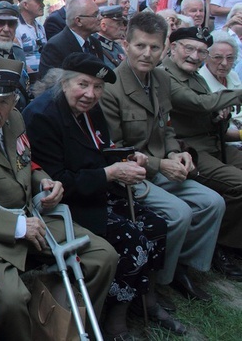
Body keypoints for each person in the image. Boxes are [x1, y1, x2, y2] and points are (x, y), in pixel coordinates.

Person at [0, 57, 117, 340]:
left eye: (5, 101)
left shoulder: (16, 119)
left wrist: (44, 181)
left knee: (103, 257)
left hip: (32, 215)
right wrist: (18, 227)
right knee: (11, 299)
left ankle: (68, 328)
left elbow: (24, 164)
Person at [23, 53, 181, 338]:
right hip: (66, 203)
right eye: (83, 84)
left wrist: (127, 158)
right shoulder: (42, 115)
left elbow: (102, 149)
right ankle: (114, 318)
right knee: (132, 239)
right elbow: (58, 181)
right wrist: (111, 174)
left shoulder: (90, 109)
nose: (90, 93)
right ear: (64, 81)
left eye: (98, 87)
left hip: (96, 191)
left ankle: (145, 298)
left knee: (156, 226)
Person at [102, 12, 225, 302]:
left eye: (154, 47)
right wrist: (160, 164)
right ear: (125, 45)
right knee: (179, 213)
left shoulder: (160, 78)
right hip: (132, 174)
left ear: (164, 49)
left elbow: (165, 126)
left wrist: (176, 152)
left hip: (163, 166)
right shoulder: (110, 87)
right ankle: (157, 283)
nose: (147, 54)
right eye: (140, 46)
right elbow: (115, 148)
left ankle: (183, 265)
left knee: (212, 203)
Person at [161, 27, 242, 279]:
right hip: (189, 150)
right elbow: (197, 103)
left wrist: (219, 113)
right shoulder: (165, 75)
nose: (195, 56)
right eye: (189, 48)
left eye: (201, 51)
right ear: (173, 48)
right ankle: (225, 247)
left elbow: (209, 106)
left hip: (214, 144)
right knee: (238, 184)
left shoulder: (195, 76)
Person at [38, 0, 105, 77]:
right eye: (95, 15)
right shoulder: (55, 47)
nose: (100, 18)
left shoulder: (95, 44)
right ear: (78, 21)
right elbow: (49, 85)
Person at [16, 0, 48, 80]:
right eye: (39, 2)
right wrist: (33, 77)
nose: (43, 5)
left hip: (44, 76)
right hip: (28, 78)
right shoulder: (16, 27)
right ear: (25, 5)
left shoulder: (40, 26)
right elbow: (17, 58)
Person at [94, 5, 127, 69]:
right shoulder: (96, 48)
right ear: (103, 26)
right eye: (119, 24)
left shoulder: (116, 46)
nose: (123, 27)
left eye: (123, 24)